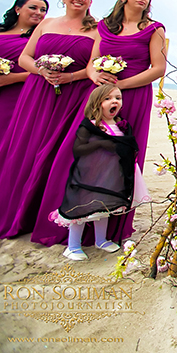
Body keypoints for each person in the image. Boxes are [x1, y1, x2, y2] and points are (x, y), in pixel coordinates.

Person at [31, 0, 167, 247]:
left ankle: (108, 231)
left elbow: (157, 69)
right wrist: (96, 78)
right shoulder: (103, 26)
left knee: (120, 159)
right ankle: (71, 222)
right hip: (97, 96)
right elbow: (93, 62)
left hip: (134, 95)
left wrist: (120, 86)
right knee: (79, 153)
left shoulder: (154, 29)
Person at [0, 0, 98, 239]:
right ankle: (15, 211)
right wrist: (41, 71)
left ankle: (47, 215)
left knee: (57, 155)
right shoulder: (47, 23)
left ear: (90, 1)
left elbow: (92, 66)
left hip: (72, 96)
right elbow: (24, 58)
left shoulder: (97, 29)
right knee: (25, 149)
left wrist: (70, 77)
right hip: (36, 93)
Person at [51, 84, 146, 261]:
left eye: (118, 98)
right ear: (97, 102)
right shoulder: (91, 125)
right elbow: (79, 149)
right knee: (81, 210)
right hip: (89, 178)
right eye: (108, 99)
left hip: (110, 177)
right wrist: (102, 143)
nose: (114, 101)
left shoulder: (120, 124)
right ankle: (72, 246)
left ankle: (101, 240)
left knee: (104, 208)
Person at [0, 0, 49, 173]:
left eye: (43, 10)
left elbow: (42, 71)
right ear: (17, 9)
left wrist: (11, 79)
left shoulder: (41, 38)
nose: (38, 13)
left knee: (0, 143)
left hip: (17, 96)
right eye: (33, 7)